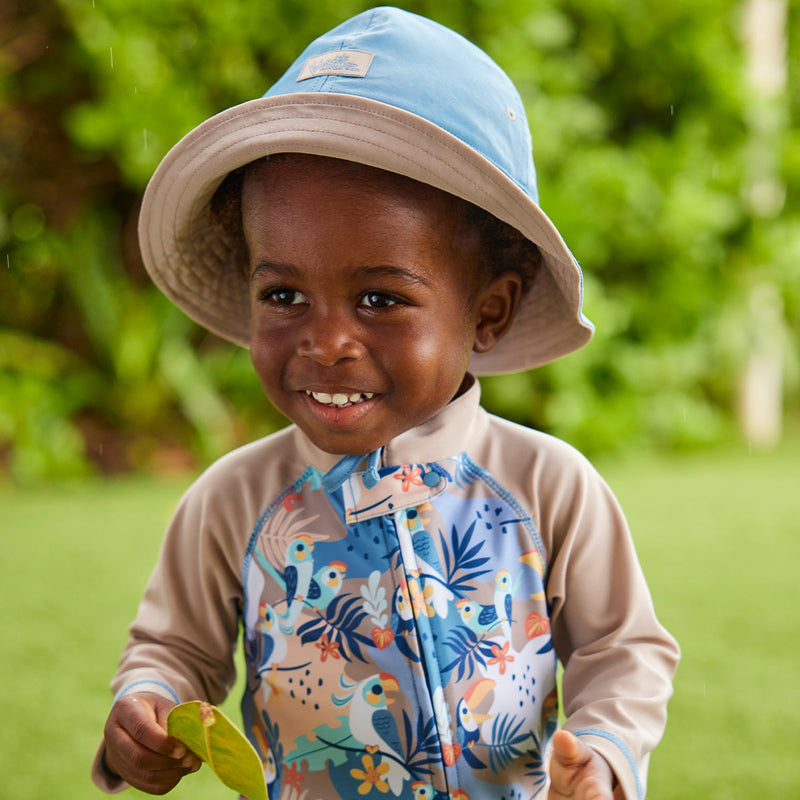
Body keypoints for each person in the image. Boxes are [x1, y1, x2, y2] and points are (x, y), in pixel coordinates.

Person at [92, 7, 679, 800]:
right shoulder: (234, 501)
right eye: (285, 293)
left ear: (489, 311)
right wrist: (146, 706)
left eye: (379, 297)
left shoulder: (547, 486)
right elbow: (172, 648)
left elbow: (623, 648)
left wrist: (606, 752)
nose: (326, 340)